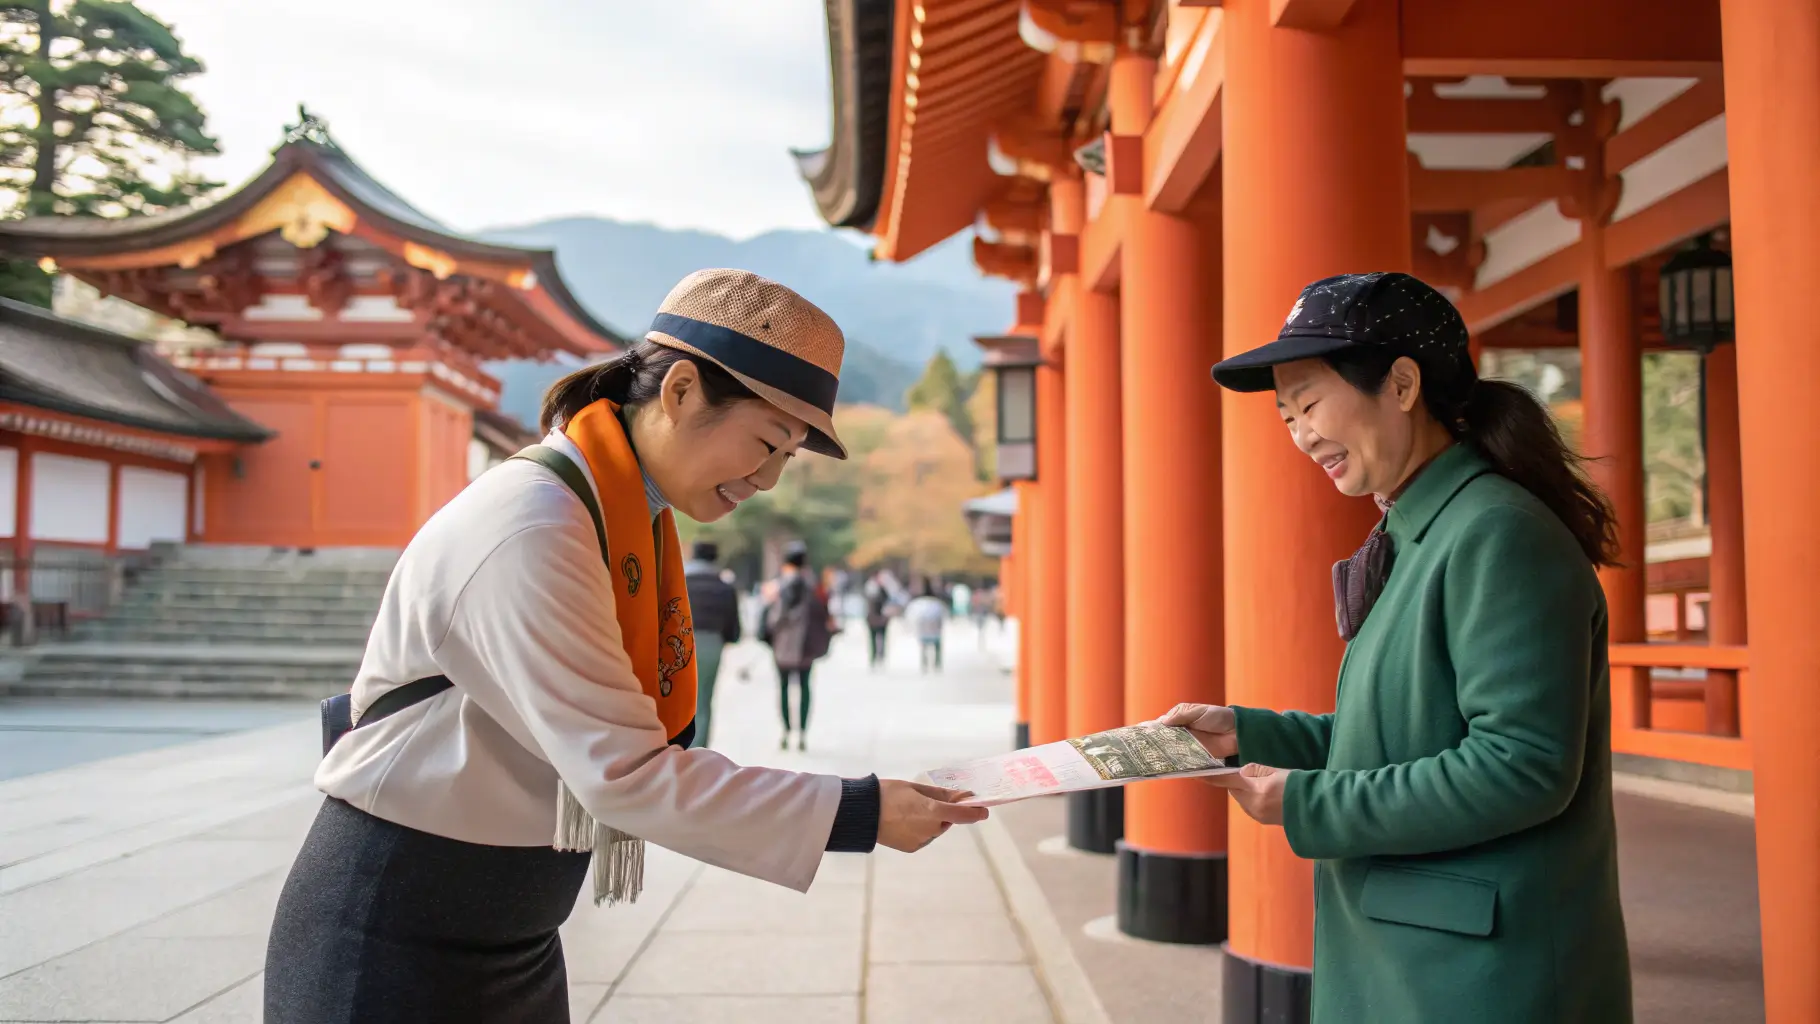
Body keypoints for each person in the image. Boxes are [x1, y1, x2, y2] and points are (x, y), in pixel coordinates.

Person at [266, 269, 986, 1024]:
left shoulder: (616, 514)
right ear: (680, 392)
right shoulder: (536, 526)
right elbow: (626, 775)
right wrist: (861, 812)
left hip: (511, 928)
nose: (769, 479)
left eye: (787, 458)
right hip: (394, 928)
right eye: (768, 443)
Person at [1160, 273, 1630, 1024]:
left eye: (1310, 402)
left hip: (1480, 976)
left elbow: (1523, 766)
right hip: (1422, 957)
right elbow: (1402, 737)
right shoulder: (1424, 529)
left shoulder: (1495, 532)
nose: (1301, 434)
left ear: (1403, 384)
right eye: (1285, 415)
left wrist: (1306, 800)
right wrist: (1248, 732)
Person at [762, 543, 833, 751]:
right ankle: (802, 732)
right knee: (804, 687)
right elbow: (826, 614)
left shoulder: (782, 585)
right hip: (806, 646)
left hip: (784, 645)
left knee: (784, 688)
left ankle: (786, 731)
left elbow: (776, 617)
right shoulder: (815, 586)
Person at [682, 540, 739, 750]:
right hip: (712, 644)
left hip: (681, 641)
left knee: (678, 696)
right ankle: (699, 749)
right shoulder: (724, 587)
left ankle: (677, 747)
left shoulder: (681, 581)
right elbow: (733, 625)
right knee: (704, 699)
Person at [905, 581, 947, 674]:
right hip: (934, 628)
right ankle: (936, 663)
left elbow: (913, 616)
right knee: (936, 646)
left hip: (924, 628)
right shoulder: (936, 604)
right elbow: (943, 615)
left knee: (924, 647)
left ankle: (925, 663)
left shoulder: (920, 604)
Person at [862, 572, 892, 668]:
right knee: (875, 639)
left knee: (878, 638)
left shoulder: (882, 591)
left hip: (878, 618)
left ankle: (878, 656)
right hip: (875, 618)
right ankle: (875, 656)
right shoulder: (873, 591)